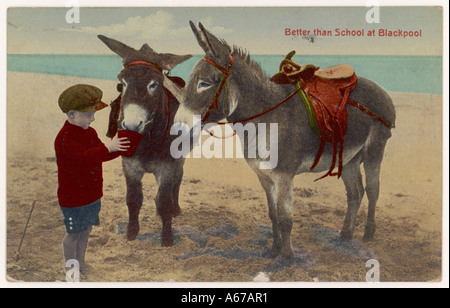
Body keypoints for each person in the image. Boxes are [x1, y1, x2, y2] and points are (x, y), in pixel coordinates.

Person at [54, 84, 129, 279]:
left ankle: (81, 260)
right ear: (71, 115)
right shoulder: (64, 139)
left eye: (93, 114)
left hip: (91, 195)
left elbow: (99, 155)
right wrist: (108, 147)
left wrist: (118, 149)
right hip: (73, 199)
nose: (92, 118)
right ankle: (69, 265)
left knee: (86, 230)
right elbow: (82, 158)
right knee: (73, 233)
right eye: (88, 114)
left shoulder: (90, 132)